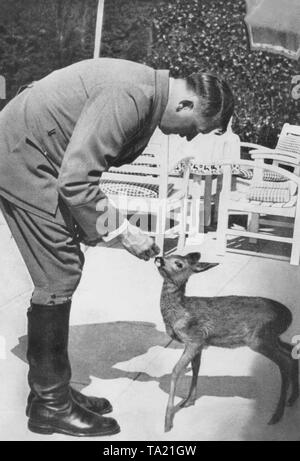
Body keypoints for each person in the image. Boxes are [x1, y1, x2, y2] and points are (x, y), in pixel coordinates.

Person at [0, 58, 234, 437]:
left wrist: (102, 226)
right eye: (193, 131)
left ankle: (51, 392)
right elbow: (76, 182)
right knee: (59, 273)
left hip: (34, 154)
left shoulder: (143, 91)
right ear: (186, 106)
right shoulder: (132, 95)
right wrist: (124, 231)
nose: (187, 138)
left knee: (64, 265)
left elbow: (77, 169)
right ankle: (50, 405)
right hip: (21, 157)